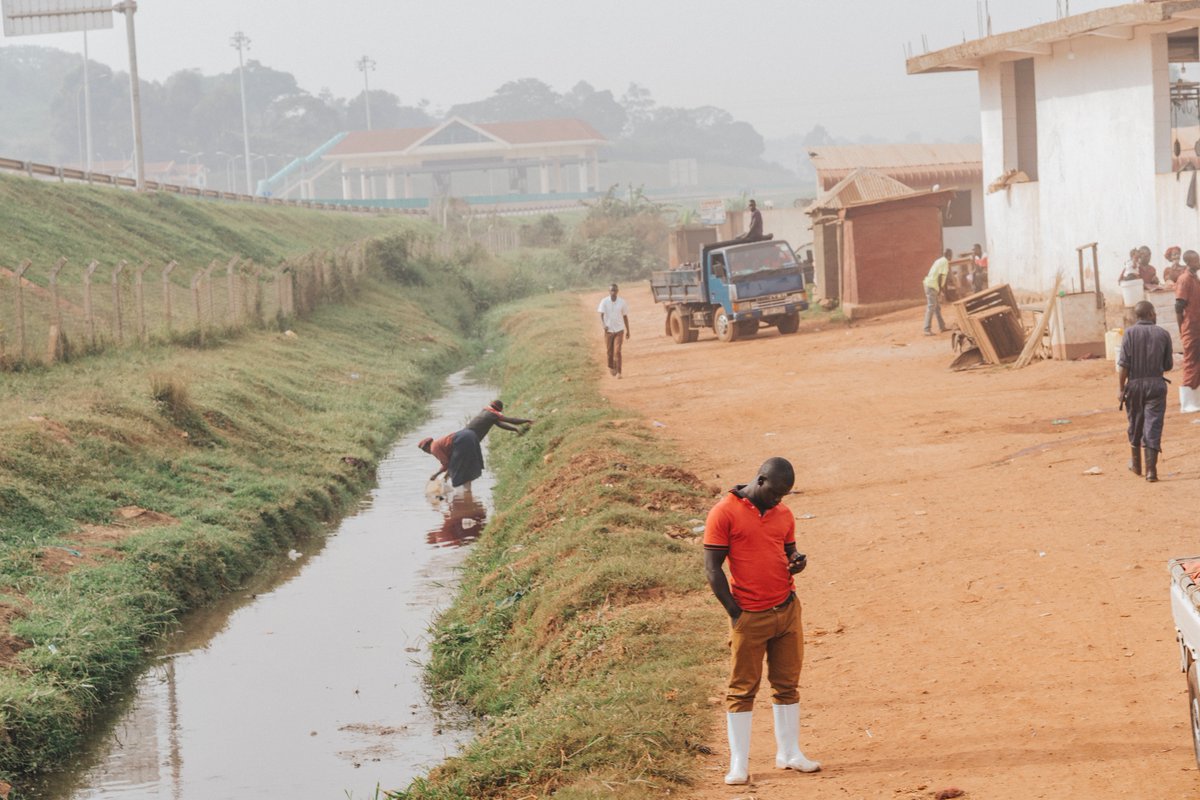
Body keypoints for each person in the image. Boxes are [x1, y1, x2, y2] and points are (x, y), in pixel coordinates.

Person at [703, 457, 820, 785]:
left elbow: (788, 551)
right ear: (761, 480)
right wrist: (734, 613)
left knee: (787, 685)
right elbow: (713, 569)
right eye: (776, 492)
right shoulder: (724, 512)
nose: (780, 499)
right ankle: (739, 765)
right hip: (749, 615)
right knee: (742, 689)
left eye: (785, 494)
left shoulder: (783, 513)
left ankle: (790, 753)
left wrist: (796, 563)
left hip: (787, 610)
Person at [418, 400, 533, 491]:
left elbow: (508, 420)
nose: (426, 452)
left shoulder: (434, 447)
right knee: (462, 466)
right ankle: (465, 492)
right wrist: (516, 428)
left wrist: (436, 474)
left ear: (426, 447)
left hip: (465, 438)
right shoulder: (490, 413)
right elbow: (449, 463)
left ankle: (463, 495)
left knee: (459, 469)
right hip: (468, 438)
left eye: (424, 451)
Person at [1118, 300, 1173, 482]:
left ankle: (1136, 465)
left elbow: (1123, 366)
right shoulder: (1163, 334)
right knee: (1153, 425)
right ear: (1150, 314)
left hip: (1134, 385)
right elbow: (1168, 365)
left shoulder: (1129, 334)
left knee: (1135, 423)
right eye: (1154, 312)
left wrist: (1121, 389)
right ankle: (1151, 471)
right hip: (1156, 385)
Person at [1176, 250, 1200, 413]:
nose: (1199, 263)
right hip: (1190, 326)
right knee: (1191, 361)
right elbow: (1179, 306)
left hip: (1197, 326)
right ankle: (1187, 402)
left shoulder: (1195, 278)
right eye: (1196, 261)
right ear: (1189, 263)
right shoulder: (1185, 279)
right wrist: (1181, 328)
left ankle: (1195, 399)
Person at [597, 283, 631, 378]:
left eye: (615, 290)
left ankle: (619, 372)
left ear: (617, 291)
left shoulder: (622, 302)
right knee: (609, 351)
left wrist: (628, 330)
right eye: (611, 290)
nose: (613, 292)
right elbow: (601, 315)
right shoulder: (604, 301)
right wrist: (604, 325)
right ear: (609, 291)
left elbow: (625, 316)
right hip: (608, 331)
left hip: (619, 330)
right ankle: (611, 366)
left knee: (617, 351)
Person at [922, 248, 952, 336]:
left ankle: (942, 326)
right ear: (949, 255)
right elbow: (940, 276)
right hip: (932, 286)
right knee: (931, 307)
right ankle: (926, 329)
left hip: (931, 285)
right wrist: (940, 290)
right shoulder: (945, 261)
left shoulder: (939, 260)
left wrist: (939, 289)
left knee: (937, 308)